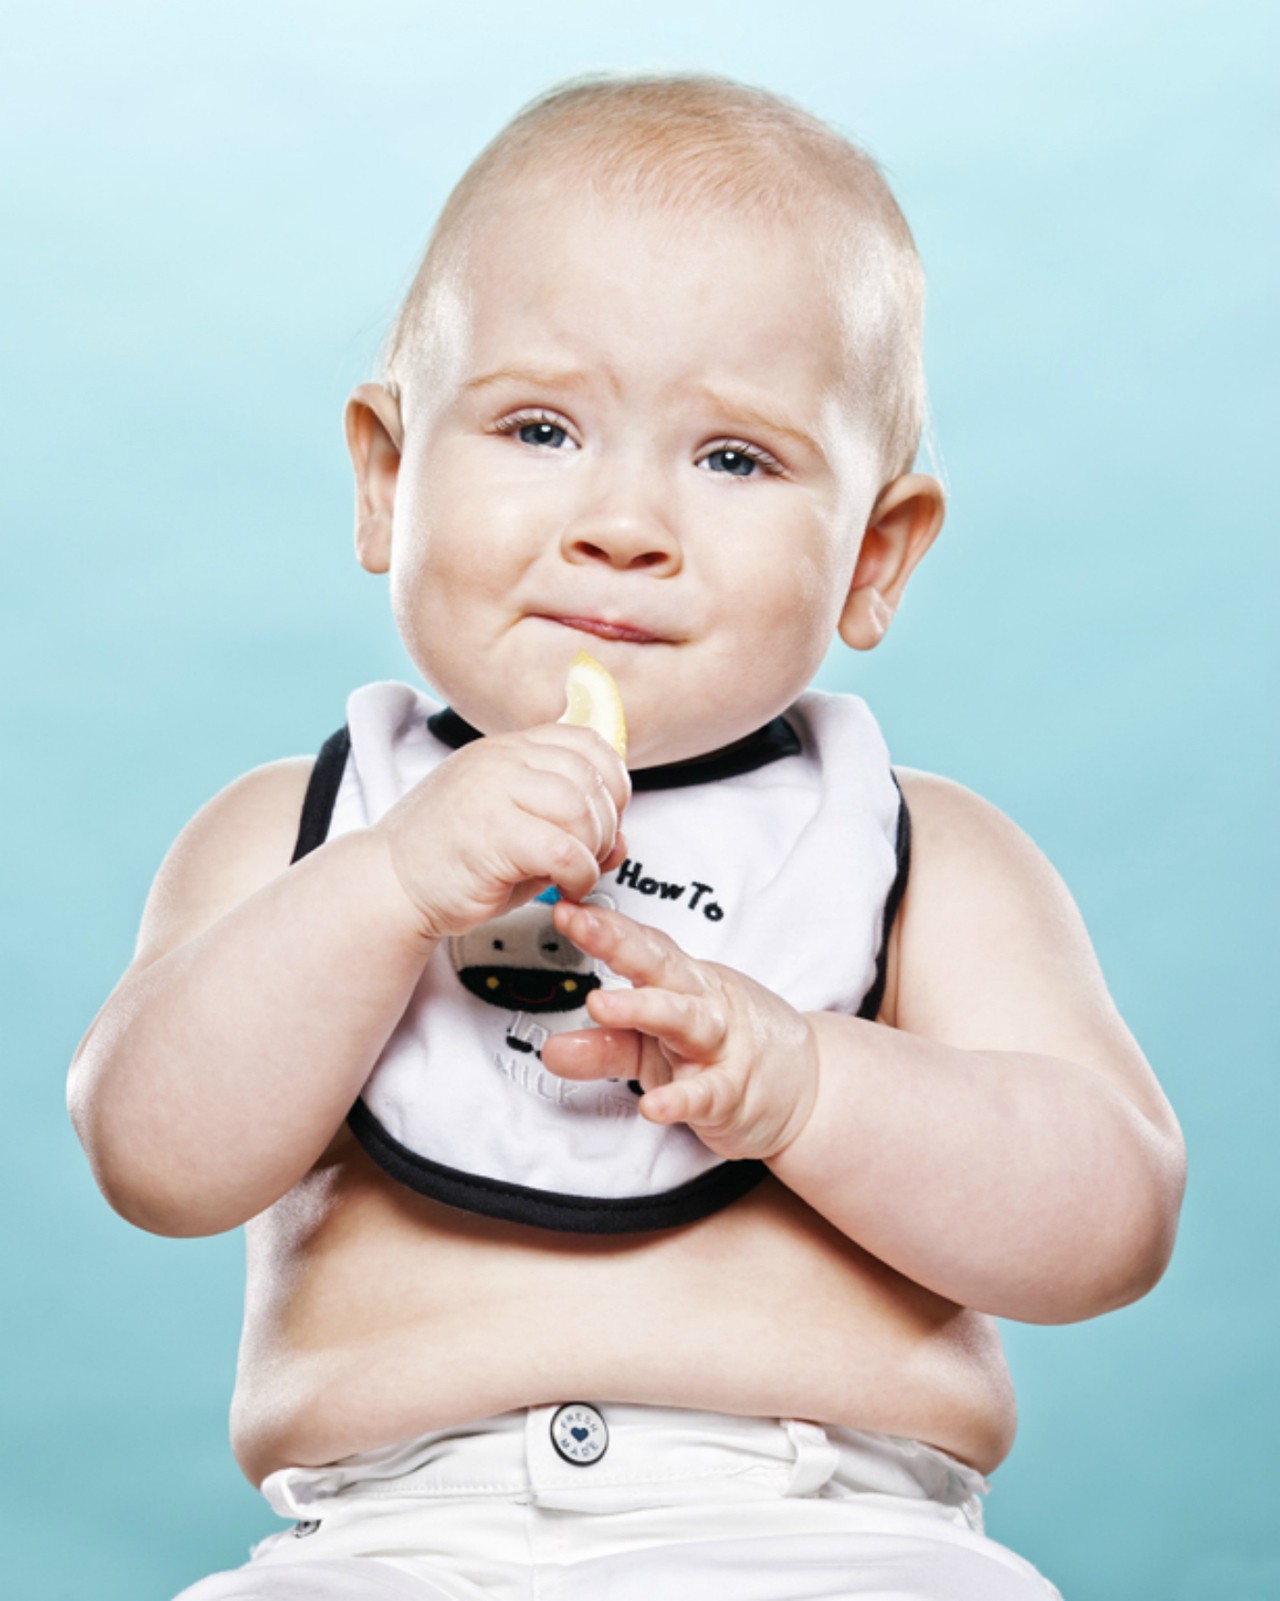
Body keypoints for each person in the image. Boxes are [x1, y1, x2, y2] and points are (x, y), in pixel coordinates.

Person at [67, 69, 1186, 1601]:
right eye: (540, 427)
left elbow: (1110, 1216)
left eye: (733, 458)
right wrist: (386, 885)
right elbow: (151, 1155)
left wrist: (805, 1081)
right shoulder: (301, 830)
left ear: (875, 553)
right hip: (398, 1541)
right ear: (387, 477)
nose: (623, 525)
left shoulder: (925, 857)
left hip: (829, 1533)